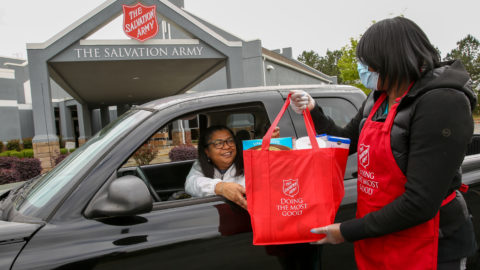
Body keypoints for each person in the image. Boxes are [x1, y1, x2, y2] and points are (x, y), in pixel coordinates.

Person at [290, 17, 477, 270]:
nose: (362, 69)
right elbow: (345, 141)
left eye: (367, 63)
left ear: (392, 59)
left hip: (430, 243)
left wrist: (346, 231)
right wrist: (313, 110)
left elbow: (420, 203)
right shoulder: (378, 98)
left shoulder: (442, 102)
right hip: (380, 235)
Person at [185, 125, 247, 209]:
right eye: (218, 143)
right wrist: (221, 187)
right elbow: (191, 183)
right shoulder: (200, 165)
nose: (227, 146)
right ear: (207, 151)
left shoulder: (247, 163)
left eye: (230, 141)